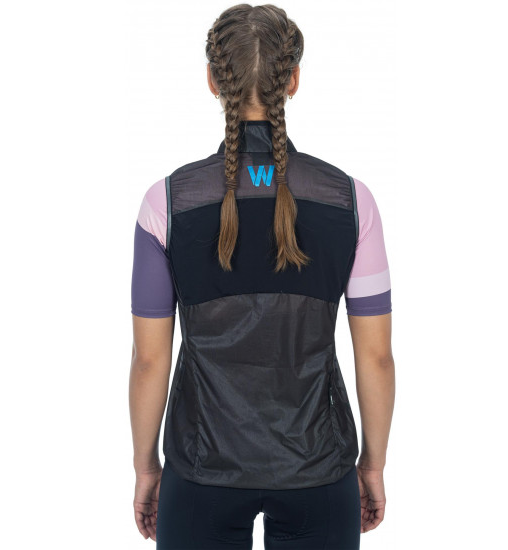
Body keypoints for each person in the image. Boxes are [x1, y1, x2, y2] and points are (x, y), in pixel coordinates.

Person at [129, 4, 395, 549]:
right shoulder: (351, 201)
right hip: (318, 468)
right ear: (292, 80)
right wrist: (372, 464)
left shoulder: (166, 205)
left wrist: (146, 467)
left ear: (213, 80)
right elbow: (376, 356)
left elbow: (150, 359)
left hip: (200, 471)